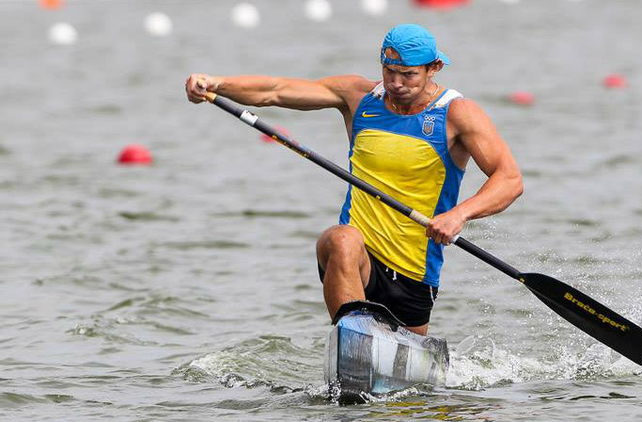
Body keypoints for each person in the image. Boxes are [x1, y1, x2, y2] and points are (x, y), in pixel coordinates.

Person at [185, 24, 523, 335]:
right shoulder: (358, 97)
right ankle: (353, 338)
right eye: (389, 72)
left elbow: (509, 179)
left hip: (413, 273)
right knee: (341, 239)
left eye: (408, 75)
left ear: (434, 68)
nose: (396, 83)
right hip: (358, 261)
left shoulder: (457, 114)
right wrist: (217, 84)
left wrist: (458, 215)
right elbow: (276, 91)